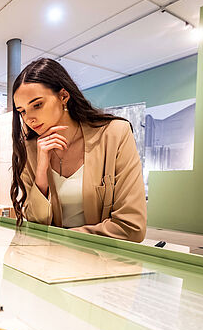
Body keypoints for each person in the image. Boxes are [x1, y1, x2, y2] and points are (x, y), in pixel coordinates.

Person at [11, 58, 146, 242]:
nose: (29, 119)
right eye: (22, 111)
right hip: (49, 257)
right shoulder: (30, 150)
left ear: (63, 96)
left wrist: (63, 239)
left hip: (100, 256)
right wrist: (41, 172)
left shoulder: (114, 134)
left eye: (37, 105)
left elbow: (132, 227)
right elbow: (35, 225)